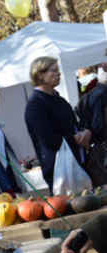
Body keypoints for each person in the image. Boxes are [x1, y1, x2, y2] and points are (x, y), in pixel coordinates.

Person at [24, 56, 91, 193]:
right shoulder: (35, 105)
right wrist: (75, 138)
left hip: (77, 163)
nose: (58, 73)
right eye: (53, 70)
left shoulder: (59, 99)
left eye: (58, 70)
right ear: (40, 75)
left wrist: (85, 132)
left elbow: (73, 124)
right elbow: (49, 139)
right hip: (59, 170)